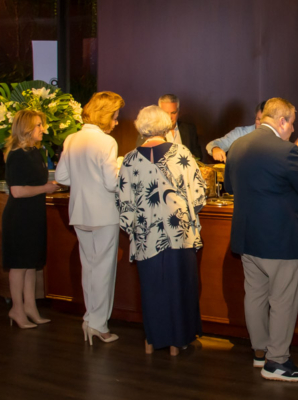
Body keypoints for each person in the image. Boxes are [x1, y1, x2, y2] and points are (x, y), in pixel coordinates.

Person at [224, 97, 298, 382]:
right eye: (292, 123)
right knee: (283, 299)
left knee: (255, 295)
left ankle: (260, 352)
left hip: (247, 237)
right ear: (281, 121)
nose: (293, 129)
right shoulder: (286, 151)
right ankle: (278, 361)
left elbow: (230, 187)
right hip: (279, 238)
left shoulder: (237, 146)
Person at [117, 105, 206, 356]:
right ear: (166, 126)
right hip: (180, 235)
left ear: (141, 127)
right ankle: (179, 341)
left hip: (147, 238)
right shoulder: (181, 153)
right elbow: (199, 194)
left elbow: (124, 205)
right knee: (180, 287)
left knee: (152, 289)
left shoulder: (130, 159)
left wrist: (136, 227)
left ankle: (152, 339)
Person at [55, 91, 125, 345]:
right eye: (115, 116)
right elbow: (111, 183)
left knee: (89, 268)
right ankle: (98, 325)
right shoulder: (107, 142)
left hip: (79, 212)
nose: (116, 121)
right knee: (104, 270)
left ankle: (90, 318)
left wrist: (83, 179)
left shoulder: (72, 138)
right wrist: (121, 167)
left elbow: (61, 177)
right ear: (105, 115)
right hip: (104, 214)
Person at [2, 110, 59, 328]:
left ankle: (30, 307)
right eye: (38, 125)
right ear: (25, 128)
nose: (42, 129)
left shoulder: (35, 152)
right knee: (19, 265)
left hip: (33, 214)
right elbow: (16, 191)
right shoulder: (16, 155)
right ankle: (17, 309)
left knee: (31, 264)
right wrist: (45, 188)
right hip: (19, 217)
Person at [136, 94, 202, 160]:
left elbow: (198, 155)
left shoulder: (189, 129)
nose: (170, 117)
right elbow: (140, 156)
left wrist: (191, 158)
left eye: (173, 112)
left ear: (178, 111)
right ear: (159, 113)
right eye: (166, 113)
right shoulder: (149, 132)